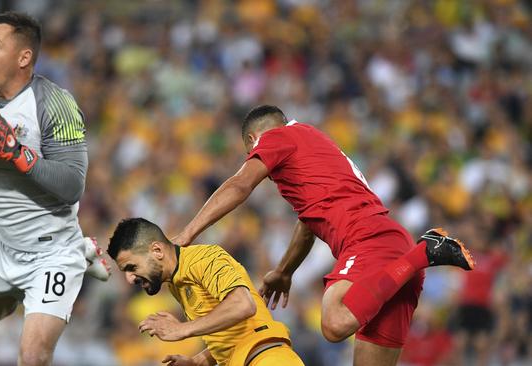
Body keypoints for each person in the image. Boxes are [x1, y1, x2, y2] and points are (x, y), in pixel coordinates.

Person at [172, 105, 476, 365]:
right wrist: (283, 271)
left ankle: (425, 252)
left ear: (254, 140)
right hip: (389, 255)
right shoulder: (314, 150)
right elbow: (308, 225)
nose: (255, 158)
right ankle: (419, 254)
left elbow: (239, 186)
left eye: (251, 153)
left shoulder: (278, 138)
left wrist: (186, 234)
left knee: (334, 323)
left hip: (368, 242)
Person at [0, 11, 110, 366]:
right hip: (1, 244)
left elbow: (73, 185)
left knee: (32, 355)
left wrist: (16, 152)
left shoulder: (54, 103)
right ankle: (58, 268)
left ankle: (78, 253)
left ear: (23, 57)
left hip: (53, 252)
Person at [107, 218, 305, 366]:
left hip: (268, 359)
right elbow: (230, 336)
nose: (129, 279)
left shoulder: (204, 258)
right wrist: (198, 361)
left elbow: (243, 305)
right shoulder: (176, 283)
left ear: (157, 251)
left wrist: (182, 329)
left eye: (132, 267)